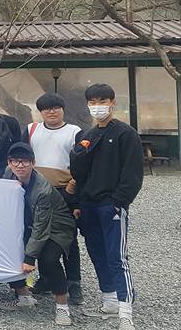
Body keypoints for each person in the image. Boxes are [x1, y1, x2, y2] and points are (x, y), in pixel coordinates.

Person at [71, 84, 143, 330]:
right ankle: (109, 299)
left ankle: (125, 310)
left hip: (111, 205)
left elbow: (133, 173)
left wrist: (119, 202)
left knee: (116, 257)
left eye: (102, 101)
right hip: (88, 205)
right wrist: (78, 202)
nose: (98, 106)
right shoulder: (87, 135)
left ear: (112, 102)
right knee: (97, 253)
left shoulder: (126, 133)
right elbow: (79, 174)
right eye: (93, 102)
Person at [0, 142, 77, 327]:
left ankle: (62, 307)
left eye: (25, 161)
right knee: (11, 251)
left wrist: (30, 257)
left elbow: (41, 227)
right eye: (15, 161)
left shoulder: (42, 189)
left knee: (48, 260)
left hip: (57, 226)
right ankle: (23, 297)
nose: (20, 165)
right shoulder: (8, 173)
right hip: (28, 223)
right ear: (9, 162)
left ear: (33, 163)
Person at [24, 93, 84, 304]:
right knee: (39, 233)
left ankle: (74, 282)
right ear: (40, 112)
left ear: (63, 109)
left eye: (55, 107)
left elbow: (82, 163)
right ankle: (46, 279)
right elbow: (22, 157)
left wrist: (72, 189)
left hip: (64, 191)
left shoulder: (75, 132)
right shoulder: (31, 130)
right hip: (37, 192)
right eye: (46, 108)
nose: (51, 111)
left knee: (68, 239)